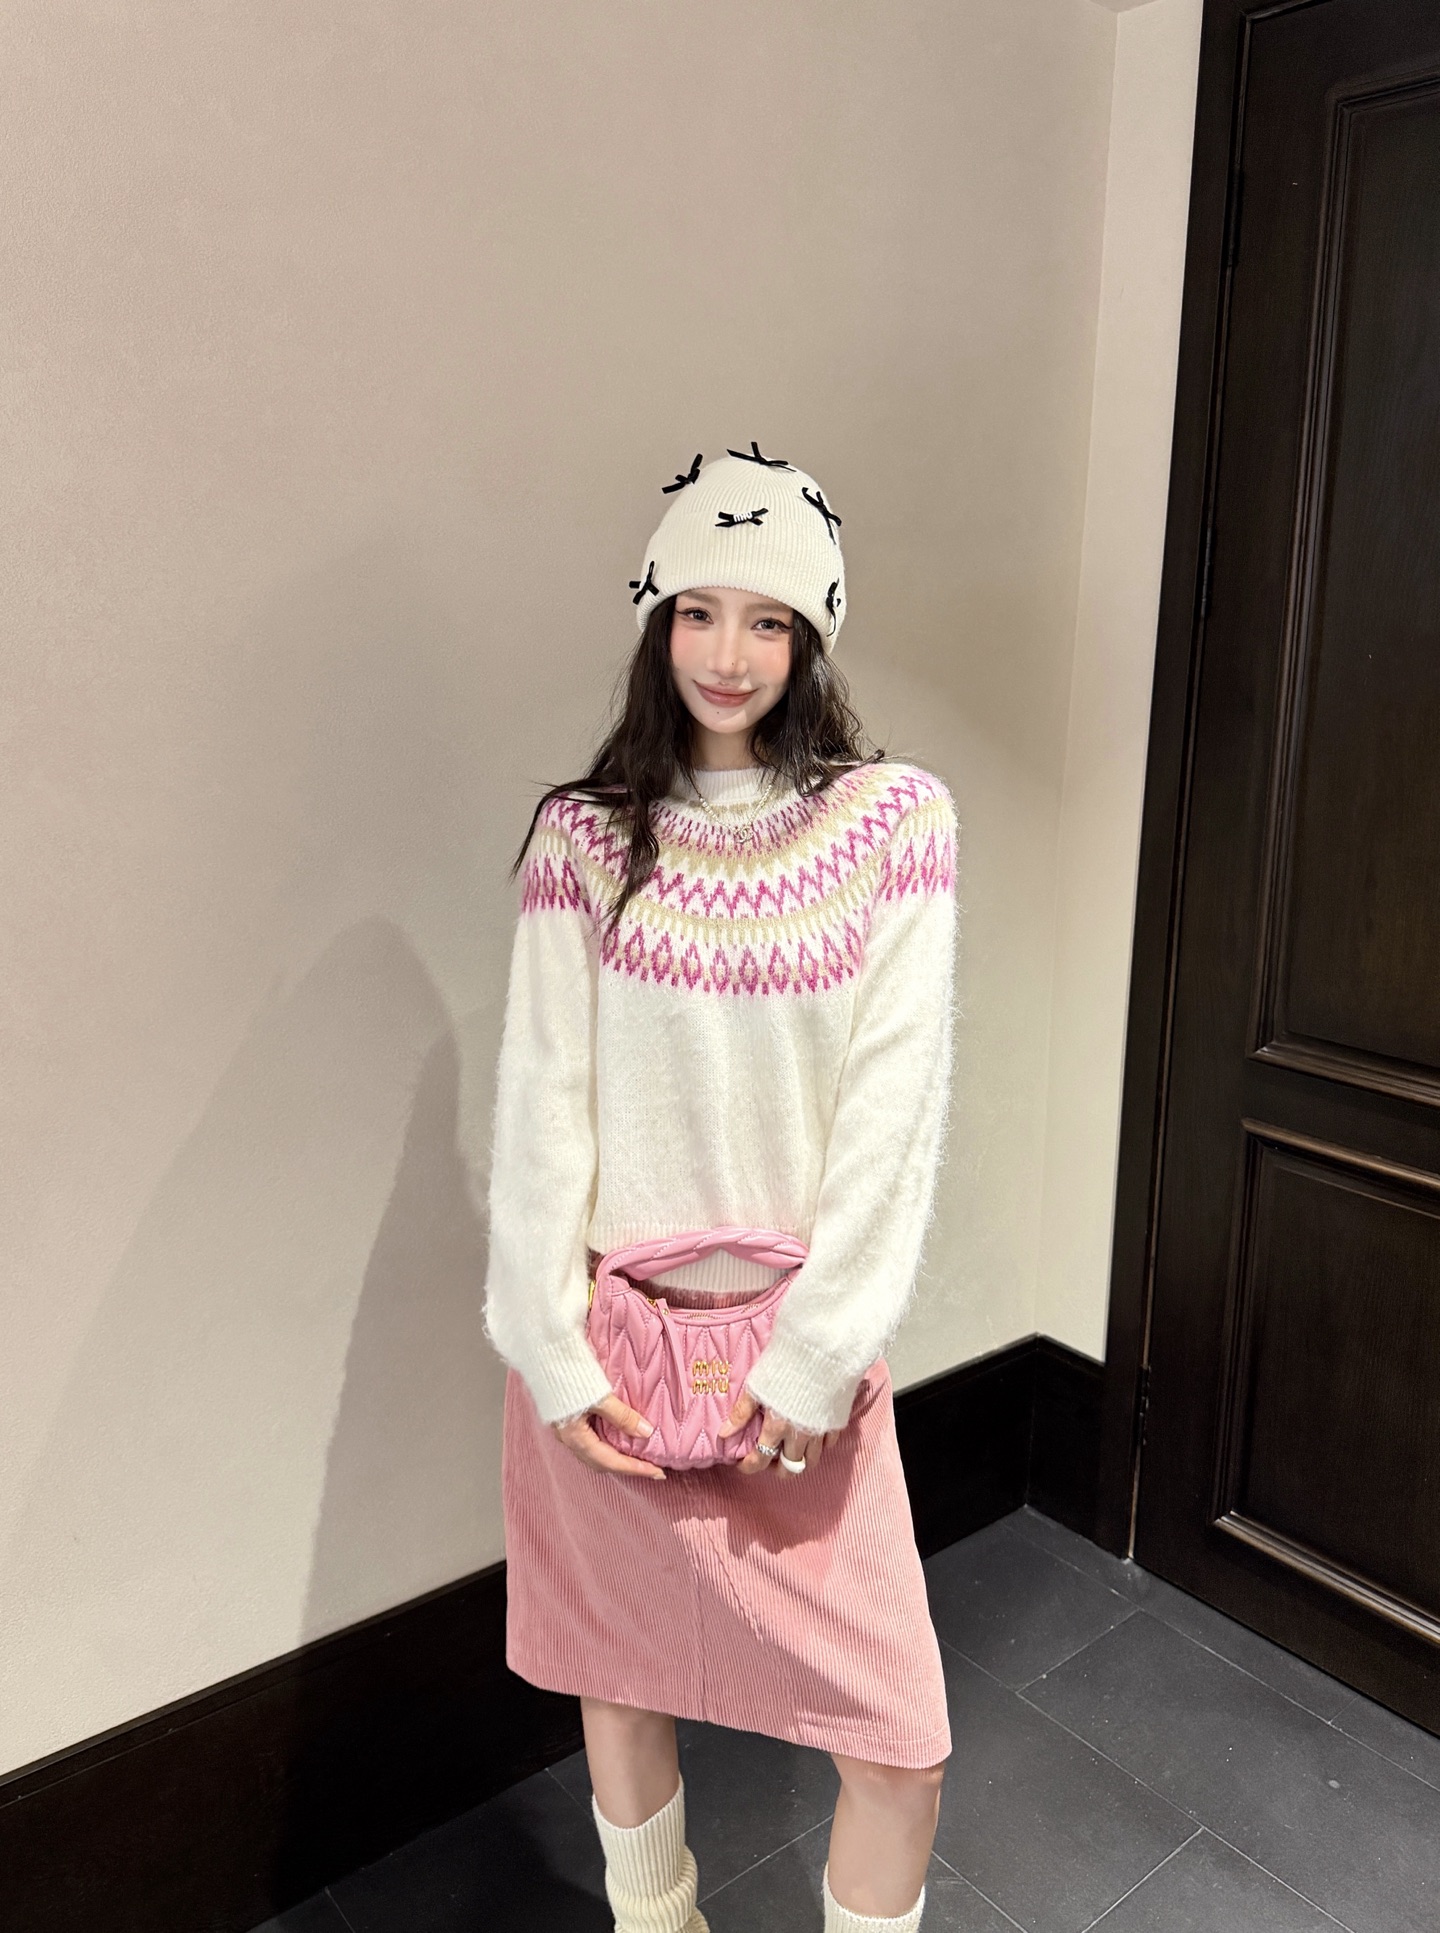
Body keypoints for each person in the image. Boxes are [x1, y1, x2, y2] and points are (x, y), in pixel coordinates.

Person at [482, 446, 958, 1932]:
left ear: (812, 635)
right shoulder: (583, 837)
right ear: (657, 620)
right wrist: (551, 1351)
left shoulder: (892, 826)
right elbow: (541, 1106)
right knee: (618, 1673)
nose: (728, 653)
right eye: (698, 610)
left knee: (899, 1743)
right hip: (611, 1348)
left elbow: (893, 1113)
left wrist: (820, 1354)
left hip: (792, 1362)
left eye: (767, 619)